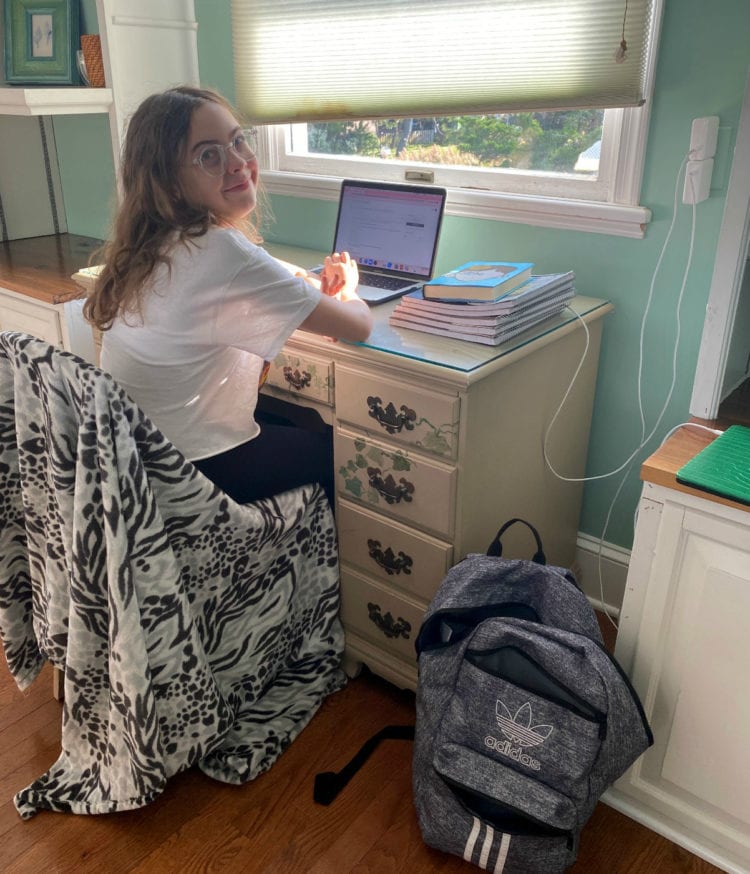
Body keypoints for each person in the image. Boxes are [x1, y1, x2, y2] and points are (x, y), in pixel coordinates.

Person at [84, 85, 372, 509]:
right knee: (345, 457)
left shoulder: (152, 245)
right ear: (172, 183)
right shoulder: (222, 253)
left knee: (288, 421)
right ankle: (313, 571)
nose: (238, 163)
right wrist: (348, 289)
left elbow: (238, 278)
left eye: (238, 141)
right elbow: (358, 325)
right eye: (209, 156)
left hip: (144, 468)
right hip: (200, 473)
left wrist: (297, 281)